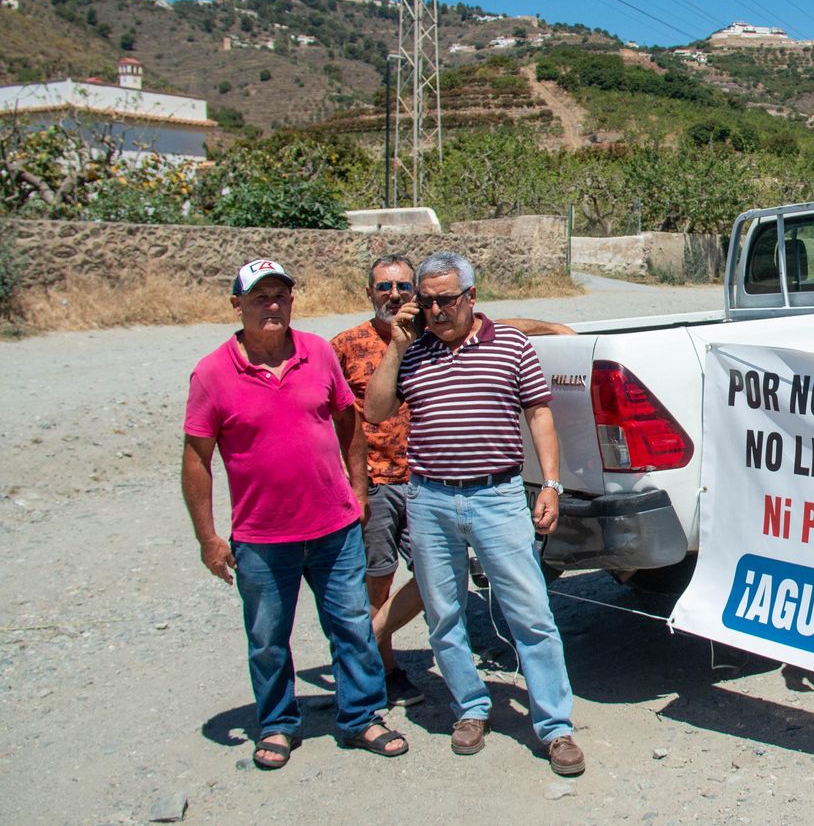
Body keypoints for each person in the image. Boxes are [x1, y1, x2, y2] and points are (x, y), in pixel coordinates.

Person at [364, 251, 586, 775]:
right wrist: (397, 348)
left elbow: (539, 417)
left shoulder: (510, 344)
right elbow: (374, 412)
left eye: (447, 299)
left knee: (530, 614)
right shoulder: (412, 351)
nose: (437, 311)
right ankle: (469, 709)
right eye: (429, 301)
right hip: (430, 499)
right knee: (443, 615)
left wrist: (550, 485)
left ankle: (555, 728)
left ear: (471, 297)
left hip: (498, 496)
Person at [182, 258, 408, 771]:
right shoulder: (213, 372)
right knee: (267, 639)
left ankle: (362, 716)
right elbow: (197, 458)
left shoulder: (316, 354)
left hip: (334, 527)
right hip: (262, 537)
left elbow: (348, 418)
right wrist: (208, 537)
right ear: (236, 305)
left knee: (350, 626)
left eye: (280, 295)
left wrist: (357, 488)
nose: (272, 305)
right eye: (259, 296)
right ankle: (278, 724)